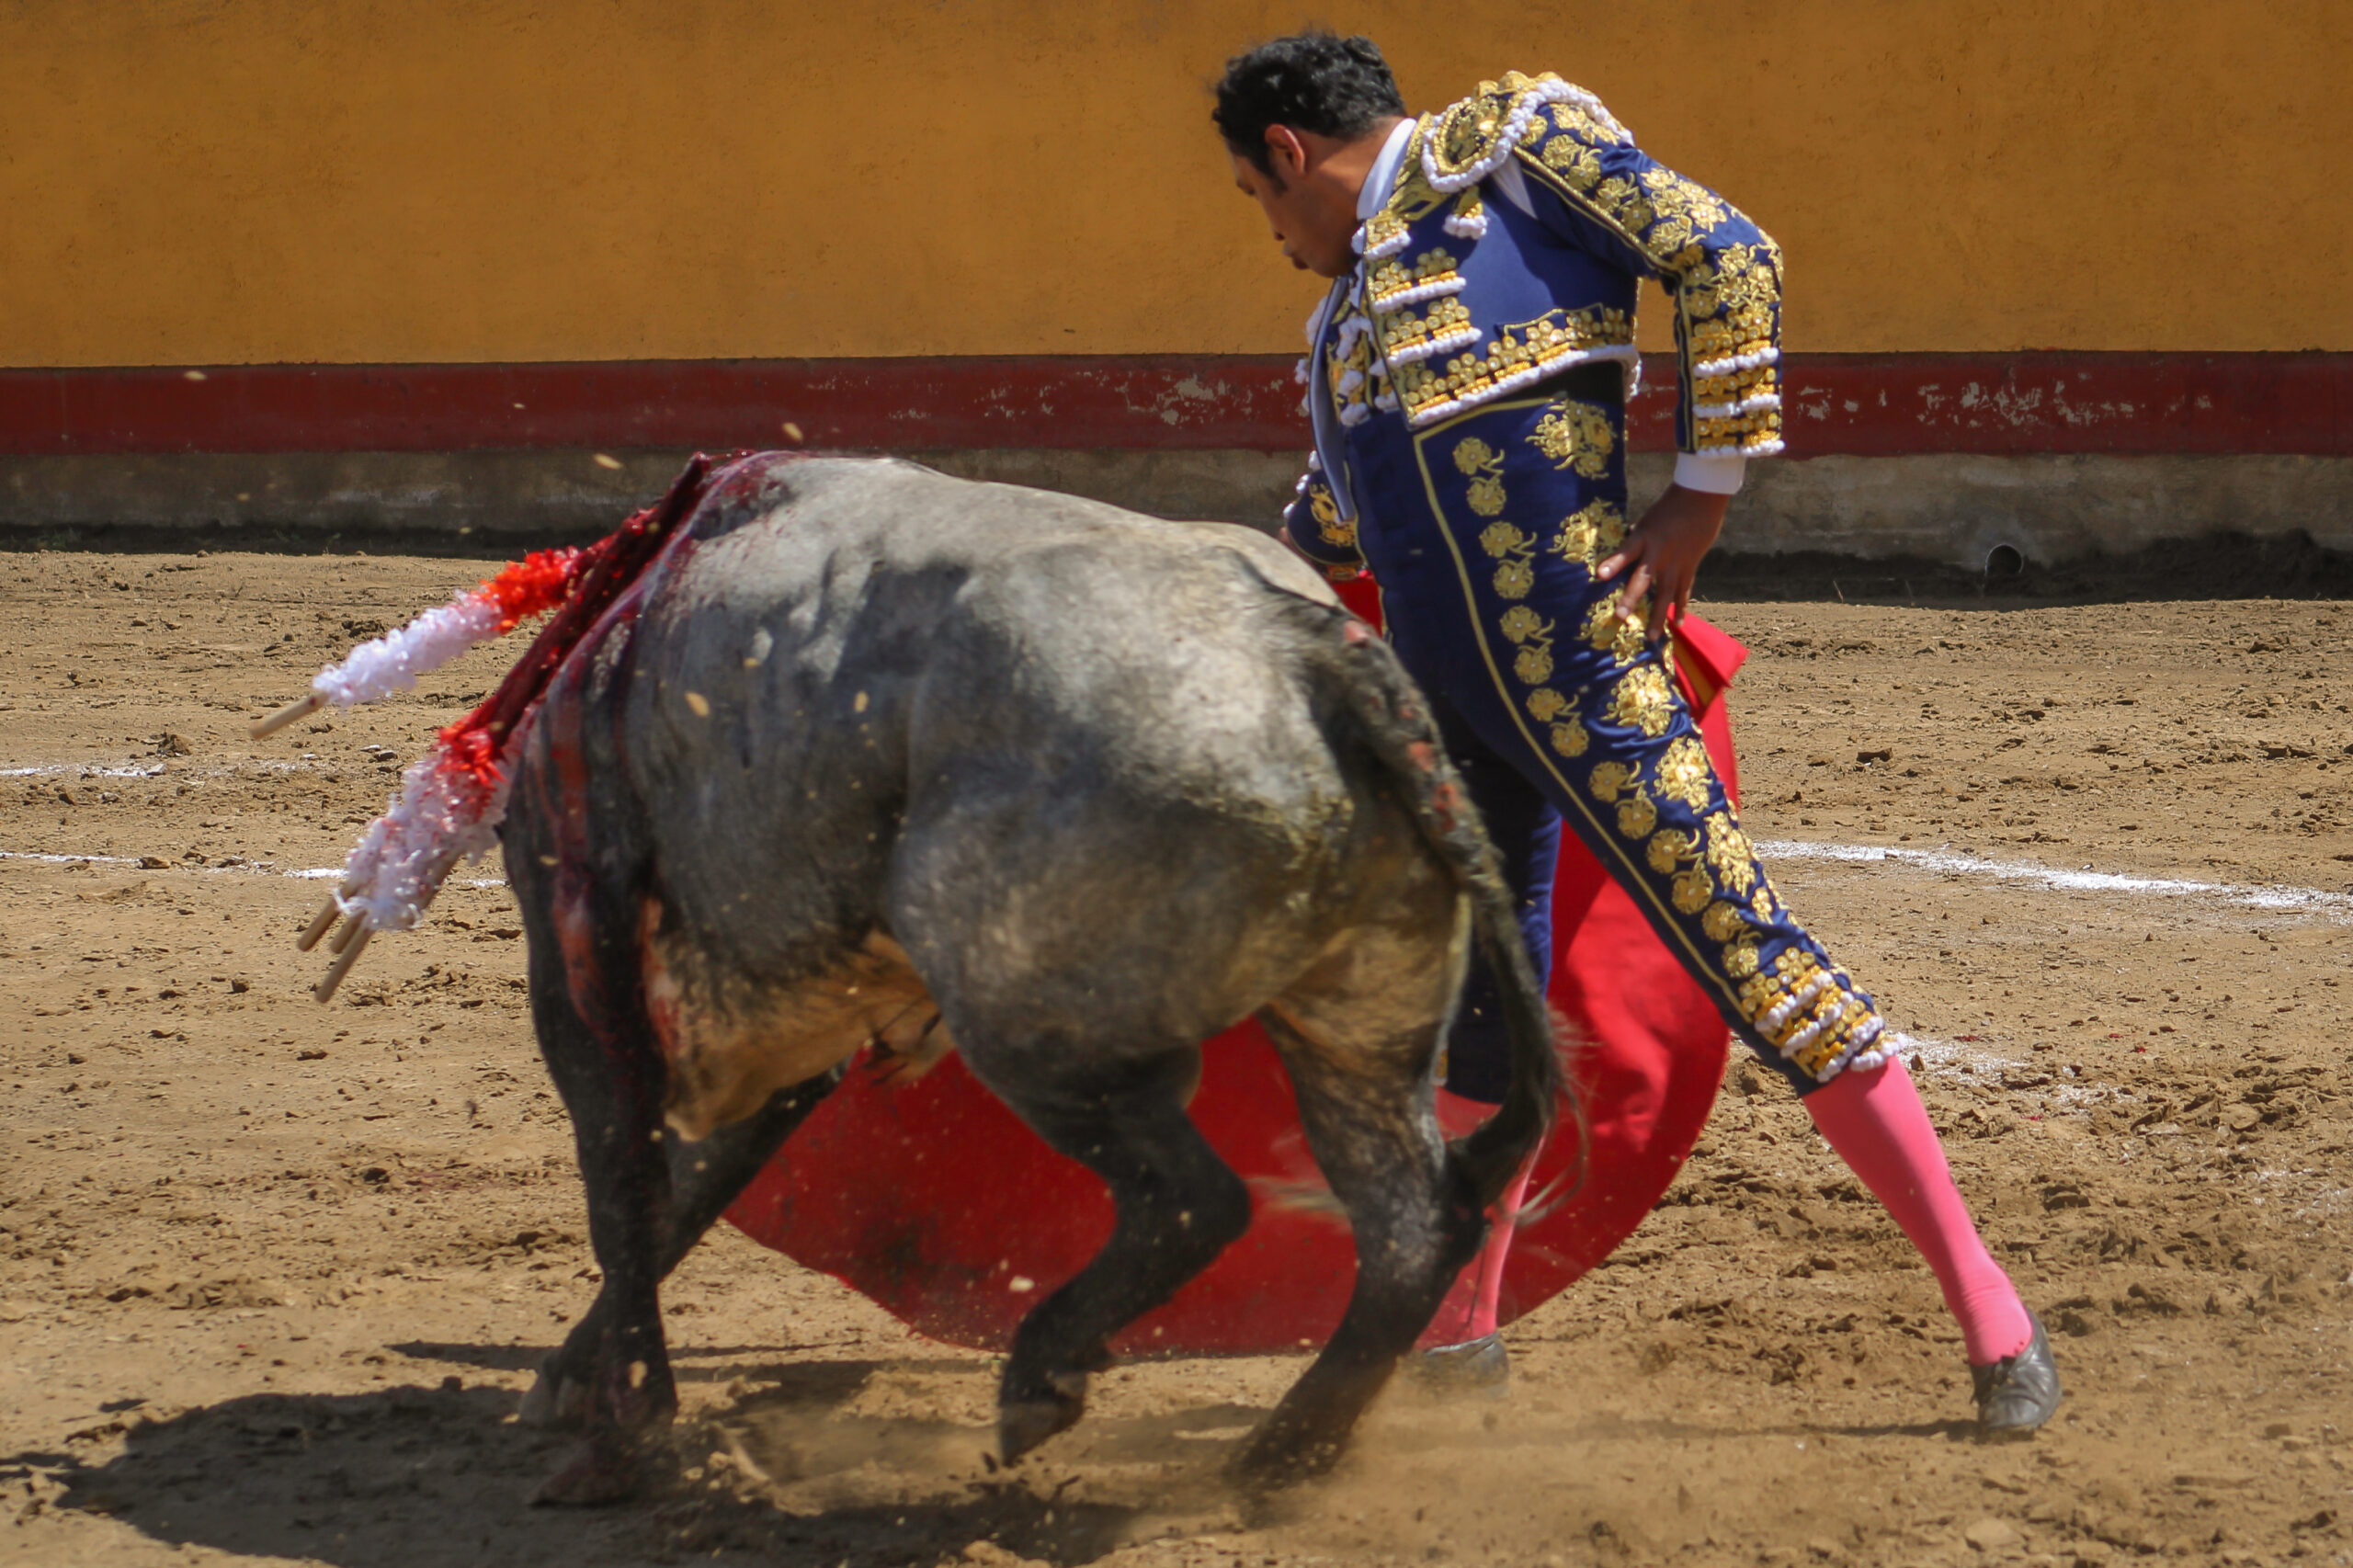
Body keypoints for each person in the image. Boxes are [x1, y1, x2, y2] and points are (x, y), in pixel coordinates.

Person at [1212, 31, 2060, 1436]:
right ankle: (1464, 1336)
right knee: (1486, 1019)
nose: (1274, 235)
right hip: (1455, 720)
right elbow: (1335, 526)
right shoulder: (1341, 330)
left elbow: (1730, 254)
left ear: (1291, 155)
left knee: (1758, 959)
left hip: (1594, 679)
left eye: (1257, 197)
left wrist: (1697, 503)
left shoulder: (1511, 145)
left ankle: (1994, 1314)